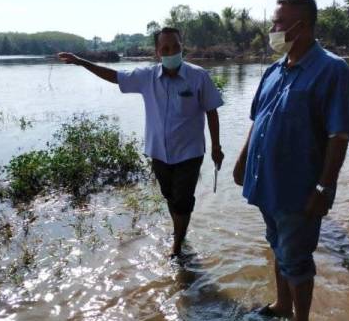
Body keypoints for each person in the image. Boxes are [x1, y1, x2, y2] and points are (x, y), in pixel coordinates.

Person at [232, 0, 349, 321]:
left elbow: (339, 135)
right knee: (277, 246)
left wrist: (323, 189)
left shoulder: (332, 70)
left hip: (299, 189)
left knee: (297, 259)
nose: (273, 30)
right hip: (266, 184)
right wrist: (242, 161)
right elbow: (257, 121)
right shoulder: (274, 70)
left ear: (302, 26)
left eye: (279, 23)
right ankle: (282, 304)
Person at [58, 27, 225, 257]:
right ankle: (179, 230)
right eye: (165, 48)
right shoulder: (146, 77)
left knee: (183, 200)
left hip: (190, 152)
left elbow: (212, 111)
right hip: (159, 152)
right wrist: (82, 62)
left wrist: (216, 146)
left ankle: (177, 246)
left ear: (182, 46)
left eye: (176, 47)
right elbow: (114, 76)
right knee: (170, 197)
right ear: (158, 52)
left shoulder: (199, 76)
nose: (171, 51)